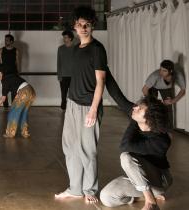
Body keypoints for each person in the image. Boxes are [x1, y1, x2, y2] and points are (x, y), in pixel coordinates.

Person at [55, 6, 107, 203]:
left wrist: (93, 109)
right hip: (72, 104)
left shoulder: (97, 49)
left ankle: (90, 190)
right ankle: (75, 188)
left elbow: (101, 81)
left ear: (92, 26)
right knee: (70, 147)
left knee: (87, 149)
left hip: (88, 106)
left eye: (87, 24)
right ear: (75, 27)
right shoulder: (76, 49)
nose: (83, 28)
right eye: (79, 25)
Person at [100, 70, 172, 210]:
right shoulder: (137, 116)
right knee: (106, 198)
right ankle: (141, 196)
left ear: (148, 119)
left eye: (139, 109)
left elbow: (125, 145)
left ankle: (151, 201)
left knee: (126, 157)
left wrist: (134, 121)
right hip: (139, 178)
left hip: (159, 181)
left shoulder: (161, 141)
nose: (135, 108)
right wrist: (104, 68)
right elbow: (117, 95)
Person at [0, 64, 36, 138]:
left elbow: (3, 99)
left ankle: (10, 133)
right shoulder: (9, 76)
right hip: (31, 91)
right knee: (23, 112)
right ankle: (25, 132)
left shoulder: (5, 80)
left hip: (24, 92)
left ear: (0, 73)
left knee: (13, 112)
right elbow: (18, 85)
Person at [142, 60, 186, 129]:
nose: (161, 72)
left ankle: (169, 130)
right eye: (160, 69)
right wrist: (150, 101)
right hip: (153, 87)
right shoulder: (155, 76)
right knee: (152, 106)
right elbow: (144, 89)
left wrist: (172, 101)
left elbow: (183, 91)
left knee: (168, 106)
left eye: (164, 71)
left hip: (166, 88)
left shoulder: (178, 75)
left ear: (171, 71)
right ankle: (150, 126)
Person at [0, 34, 20, 108]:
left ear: (11, 41)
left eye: (7, 40)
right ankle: (5, 107)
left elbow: (17, 62)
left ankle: (13, 107)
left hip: (14, 73)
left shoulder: (16, 50)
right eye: (5, 40)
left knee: (14, 91)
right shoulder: (1, 50)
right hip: (4, 74)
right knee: (4, 92)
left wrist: (18, 73)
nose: (5, 41)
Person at [57, 30, 74, 110]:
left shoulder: (76, 48)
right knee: (63, 94)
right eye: (63, 37)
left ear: (70, 38)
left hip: (74, 76)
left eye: (66, 37)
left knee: (73, 94)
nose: (64, 39)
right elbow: (59, 63)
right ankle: (63, 109)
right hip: (63, 76)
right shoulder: (60, 49)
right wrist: (59, 76)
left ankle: (72, 108)